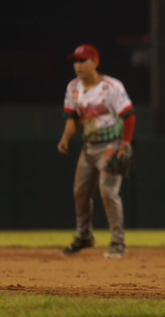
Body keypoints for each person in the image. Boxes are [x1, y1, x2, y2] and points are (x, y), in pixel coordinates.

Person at [57, 44, 135, 259]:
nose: (78, 66)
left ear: (95, 62)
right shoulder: (74, 87)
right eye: (75, 62)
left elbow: (129, 116)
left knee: (108, 192)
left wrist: (124, 144)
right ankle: (84, 237)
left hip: (111, 146)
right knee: (80, 193)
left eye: (82, 61)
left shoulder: (111, 87)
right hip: (89, 147)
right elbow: (72, 118)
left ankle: (118, 242)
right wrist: (65, 138)